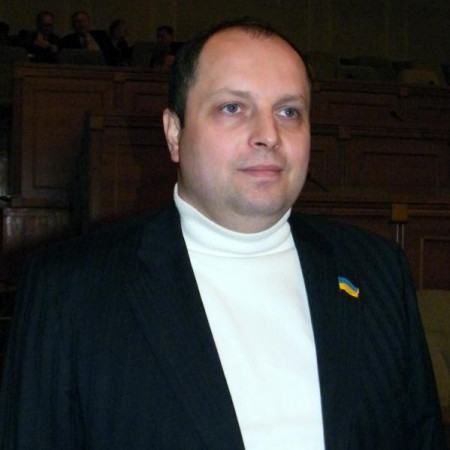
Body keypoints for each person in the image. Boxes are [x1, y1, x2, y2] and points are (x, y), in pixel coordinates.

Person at [0, 17, 446, 450]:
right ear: (174, 134)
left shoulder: (377, 271)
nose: (269, 135)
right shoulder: (70, 290)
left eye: (289, 111)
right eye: (233, 108)